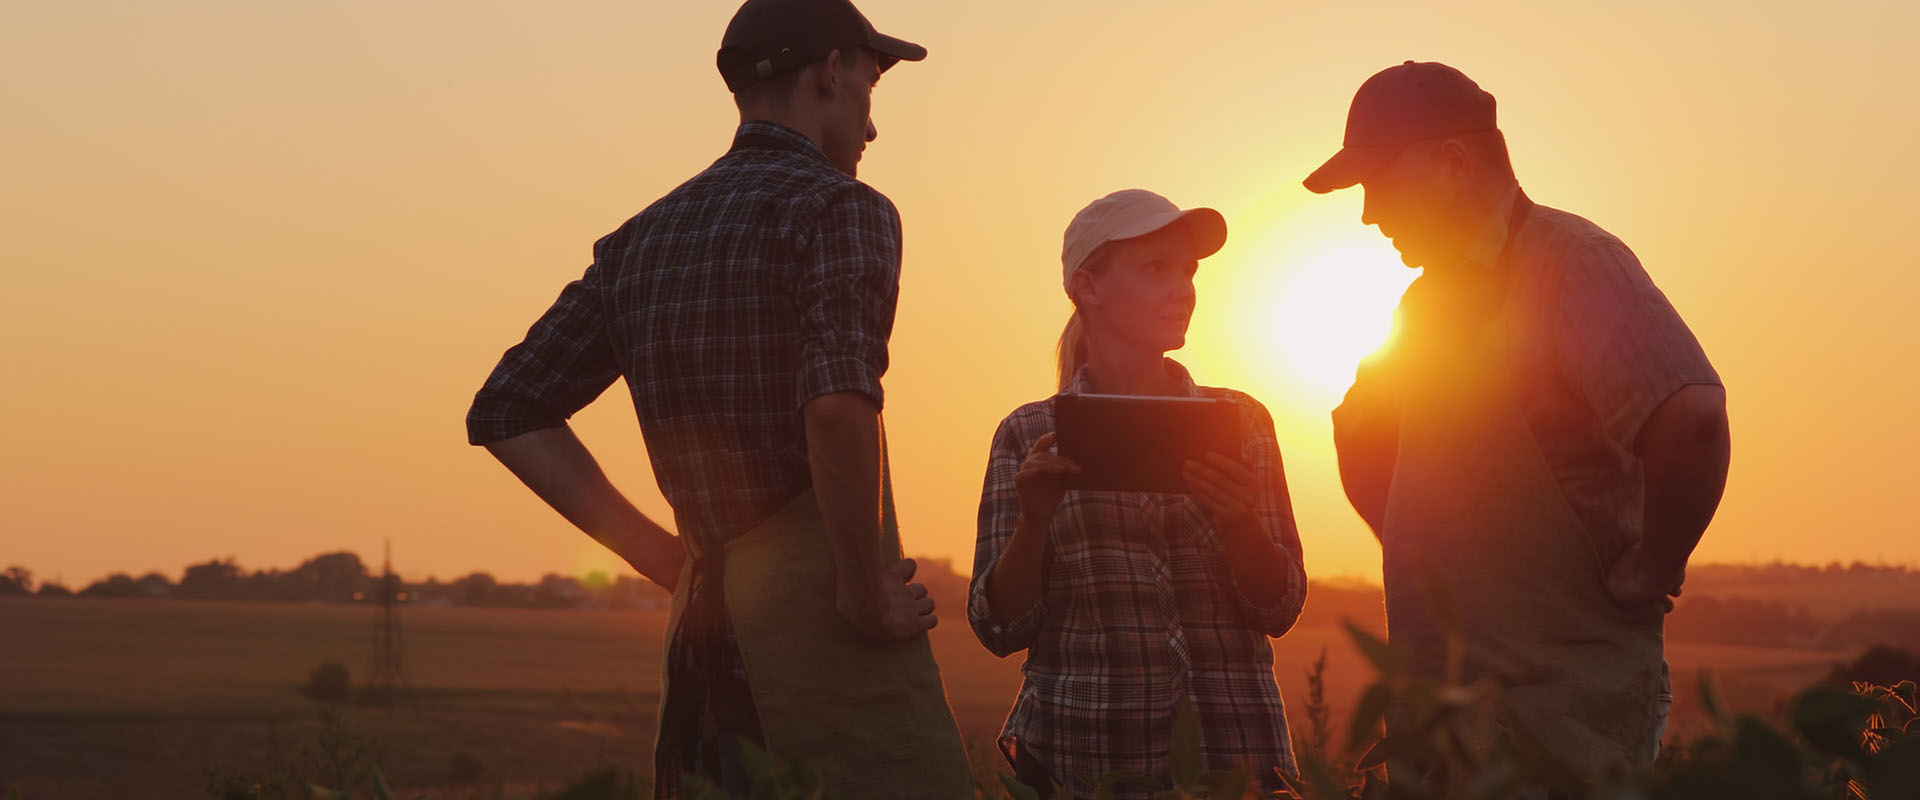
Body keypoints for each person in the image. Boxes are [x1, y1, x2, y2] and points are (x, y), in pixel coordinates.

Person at [464, 1, 972, 796]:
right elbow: (838, 407)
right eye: (871, 89)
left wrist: (666, 558)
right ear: (832, 72)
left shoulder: (641, 239)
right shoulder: (841, 209)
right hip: (824, 656)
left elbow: (508, 410)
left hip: (702, 649)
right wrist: (865, 592)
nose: (872, 128)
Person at [1304, 62, 1731, 796]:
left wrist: (1654, 567)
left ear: (1455, 163)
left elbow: (1690, 420)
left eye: (1379, 181)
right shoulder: (1423, 304)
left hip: (1561, 717)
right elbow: (1359, 433)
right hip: (1440, 718)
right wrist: (1422, 551)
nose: (1369, 213)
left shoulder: (1573, 266)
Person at [968, 189, 1310, 798]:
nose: (1184, 288)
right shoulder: (1027, 434)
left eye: (1189, 270)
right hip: (1083, 764)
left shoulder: (1243, 423)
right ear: (1087, 286)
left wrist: (1238, 522)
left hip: (1237, 763)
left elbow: (1280, 605)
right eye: (1157, 268)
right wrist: (1034, 522)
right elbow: (998, 627)